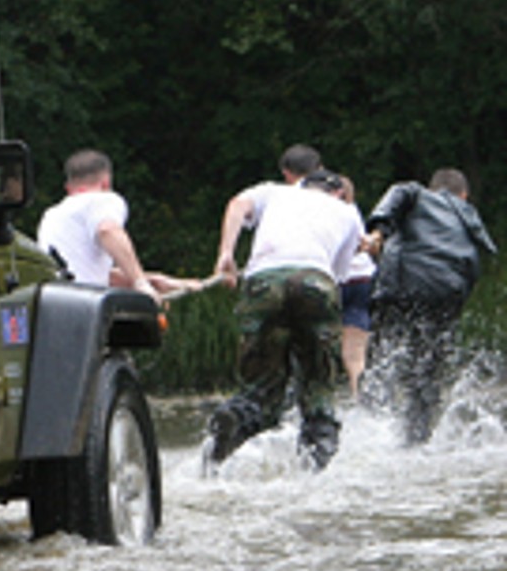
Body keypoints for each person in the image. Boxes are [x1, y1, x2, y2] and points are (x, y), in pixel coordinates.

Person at [206, 166, 365, 470]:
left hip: (263, 282)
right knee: (319, 387)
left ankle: (235, 418)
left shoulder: (275, 192)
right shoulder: (346, 213)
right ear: (339, 193)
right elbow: (339, 275)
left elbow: (237, 205)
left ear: (301, 184)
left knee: (261, 391)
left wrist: (226, 253)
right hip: (316, 282)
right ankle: (315, 471)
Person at [362, 168, 496, 445]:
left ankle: (369, 427)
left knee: (382, 356)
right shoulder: (469, 216)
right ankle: (417, 438)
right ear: (465, 195)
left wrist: (378, 231)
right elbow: (473, 265)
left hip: (403, 285)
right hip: (447, 294)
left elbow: (401, 190)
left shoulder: (417, 194)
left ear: (434, 189)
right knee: (429, 367)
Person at [35, 149, 193, 301]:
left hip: (51, 307)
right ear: (106, 183)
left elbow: (85, 272)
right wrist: (140, 283)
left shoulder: (51, 216)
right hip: (85, 308)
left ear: (69, 189)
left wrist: (155, 281)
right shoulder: (102, 199)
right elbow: (107, 230)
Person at [331, 174, 377, 400]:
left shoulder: (327, 213)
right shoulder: (353, 211)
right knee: (356, 350)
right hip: (363, 278)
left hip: (336, 281)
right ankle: (359, 393)